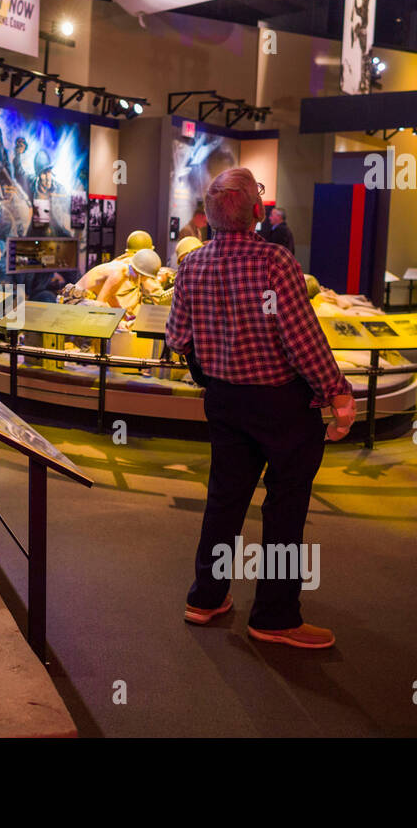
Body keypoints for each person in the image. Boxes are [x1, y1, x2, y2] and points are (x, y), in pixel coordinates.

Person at [166, 167, 354, 649]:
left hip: (225, 401)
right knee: (285, 509)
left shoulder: (191, 266)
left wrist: (213, 373)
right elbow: (302, 340)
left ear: (207, 218)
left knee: (224, 500)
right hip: (282, 405)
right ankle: (274, 617)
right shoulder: (276, 261)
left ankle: (205, 597)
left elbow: (178, 339)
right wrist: (337, 391)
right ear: (256, 211)